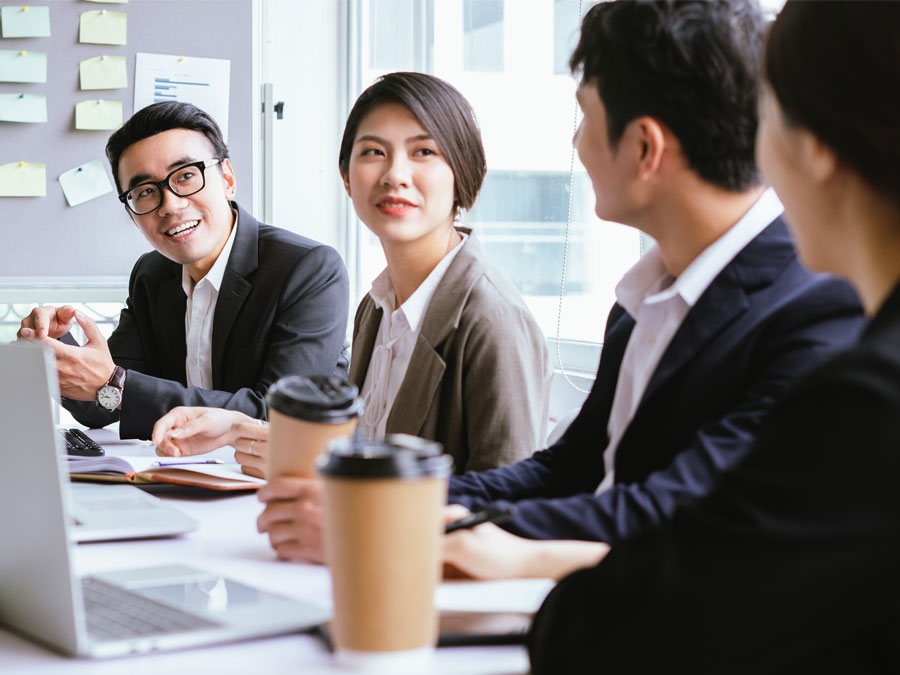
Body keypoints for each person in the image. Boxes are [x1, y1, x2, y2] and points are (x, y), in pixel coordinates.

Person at [529, 1, 900, 671]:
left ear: (813, 146)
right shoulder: (643, 296)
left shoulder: (867, 389)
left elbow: (639, 611)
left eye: (767, 116)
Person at [441, 0, 864, 552]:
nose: (577, 145)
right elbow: (570, 469)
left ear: (644, 147)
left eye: (584, 118)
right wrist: (403, 499)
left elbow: (678, 508)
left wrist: (431, 529)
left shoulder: (814, 310)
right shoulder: (645, 295)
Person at [153, 73, 552, 556]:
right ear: (346, 178)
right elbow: (363, 458)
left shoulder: (491, 318)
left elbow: (502, 516)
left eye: (423, 152)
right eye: (373, 152)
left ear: (463, 172)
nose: (394, 175)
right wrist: (240, 429)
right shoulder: (376, 308)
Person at [16, 101, 349, 440]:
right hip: (176, 477)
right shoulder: (152, 275)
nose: (171, 205)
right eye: (145, 191)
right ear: (131, 212)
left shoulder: (308, 269)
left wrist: (117, 385)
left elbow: (280, 415)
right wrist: (59, 346)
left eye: (186, 176)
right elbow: (101, 402)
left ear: (228, 178)